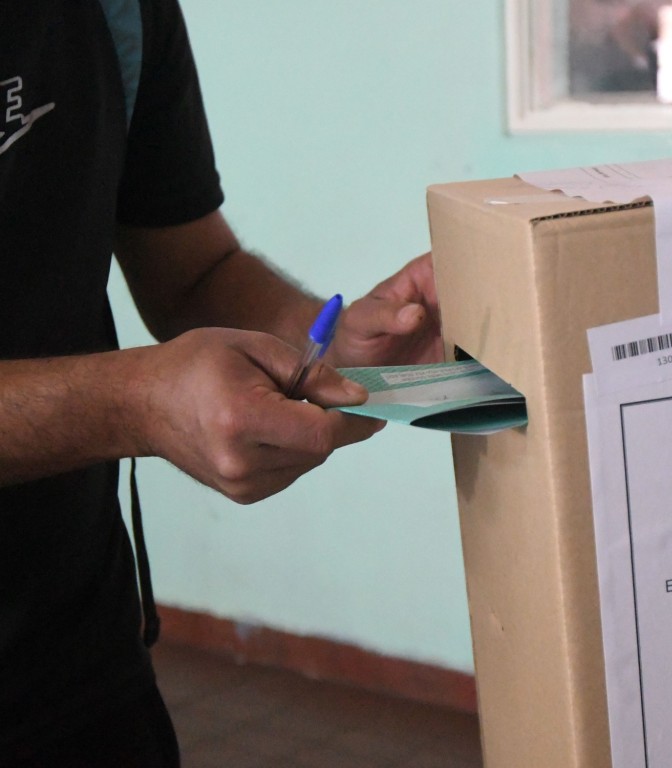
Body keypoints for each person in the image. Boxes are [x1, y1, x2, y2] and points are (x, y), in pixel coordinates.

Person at [0, 1, 442, 765]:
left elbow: (194, 271)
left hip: (82, 666)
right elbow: (136, 393)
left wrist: (326, 337)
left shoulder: (120, 13)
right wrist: (132, 401)